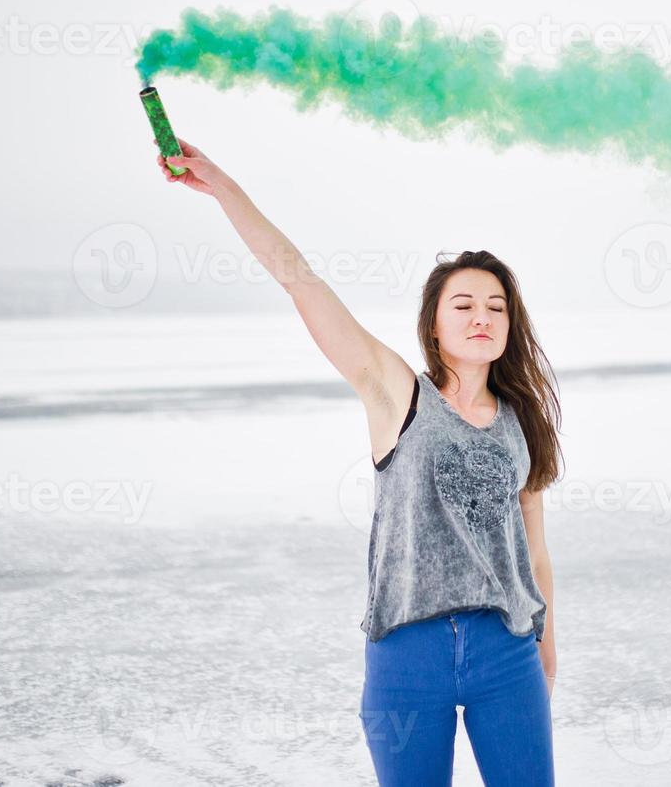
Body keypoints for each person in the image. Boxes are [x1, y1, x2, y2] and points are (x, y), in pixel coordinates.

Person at [160, 140, 562, 786]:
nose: (480, 316)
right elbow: (301, 282)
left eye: (495, 306)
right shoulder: (396, 394)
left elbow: (534, 552)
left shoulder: (522, 423)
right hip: (407, 651)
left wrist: (546, 649)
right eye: (462, 304)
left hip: (506, 652)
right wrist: (222, 186)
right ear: (433, 325)